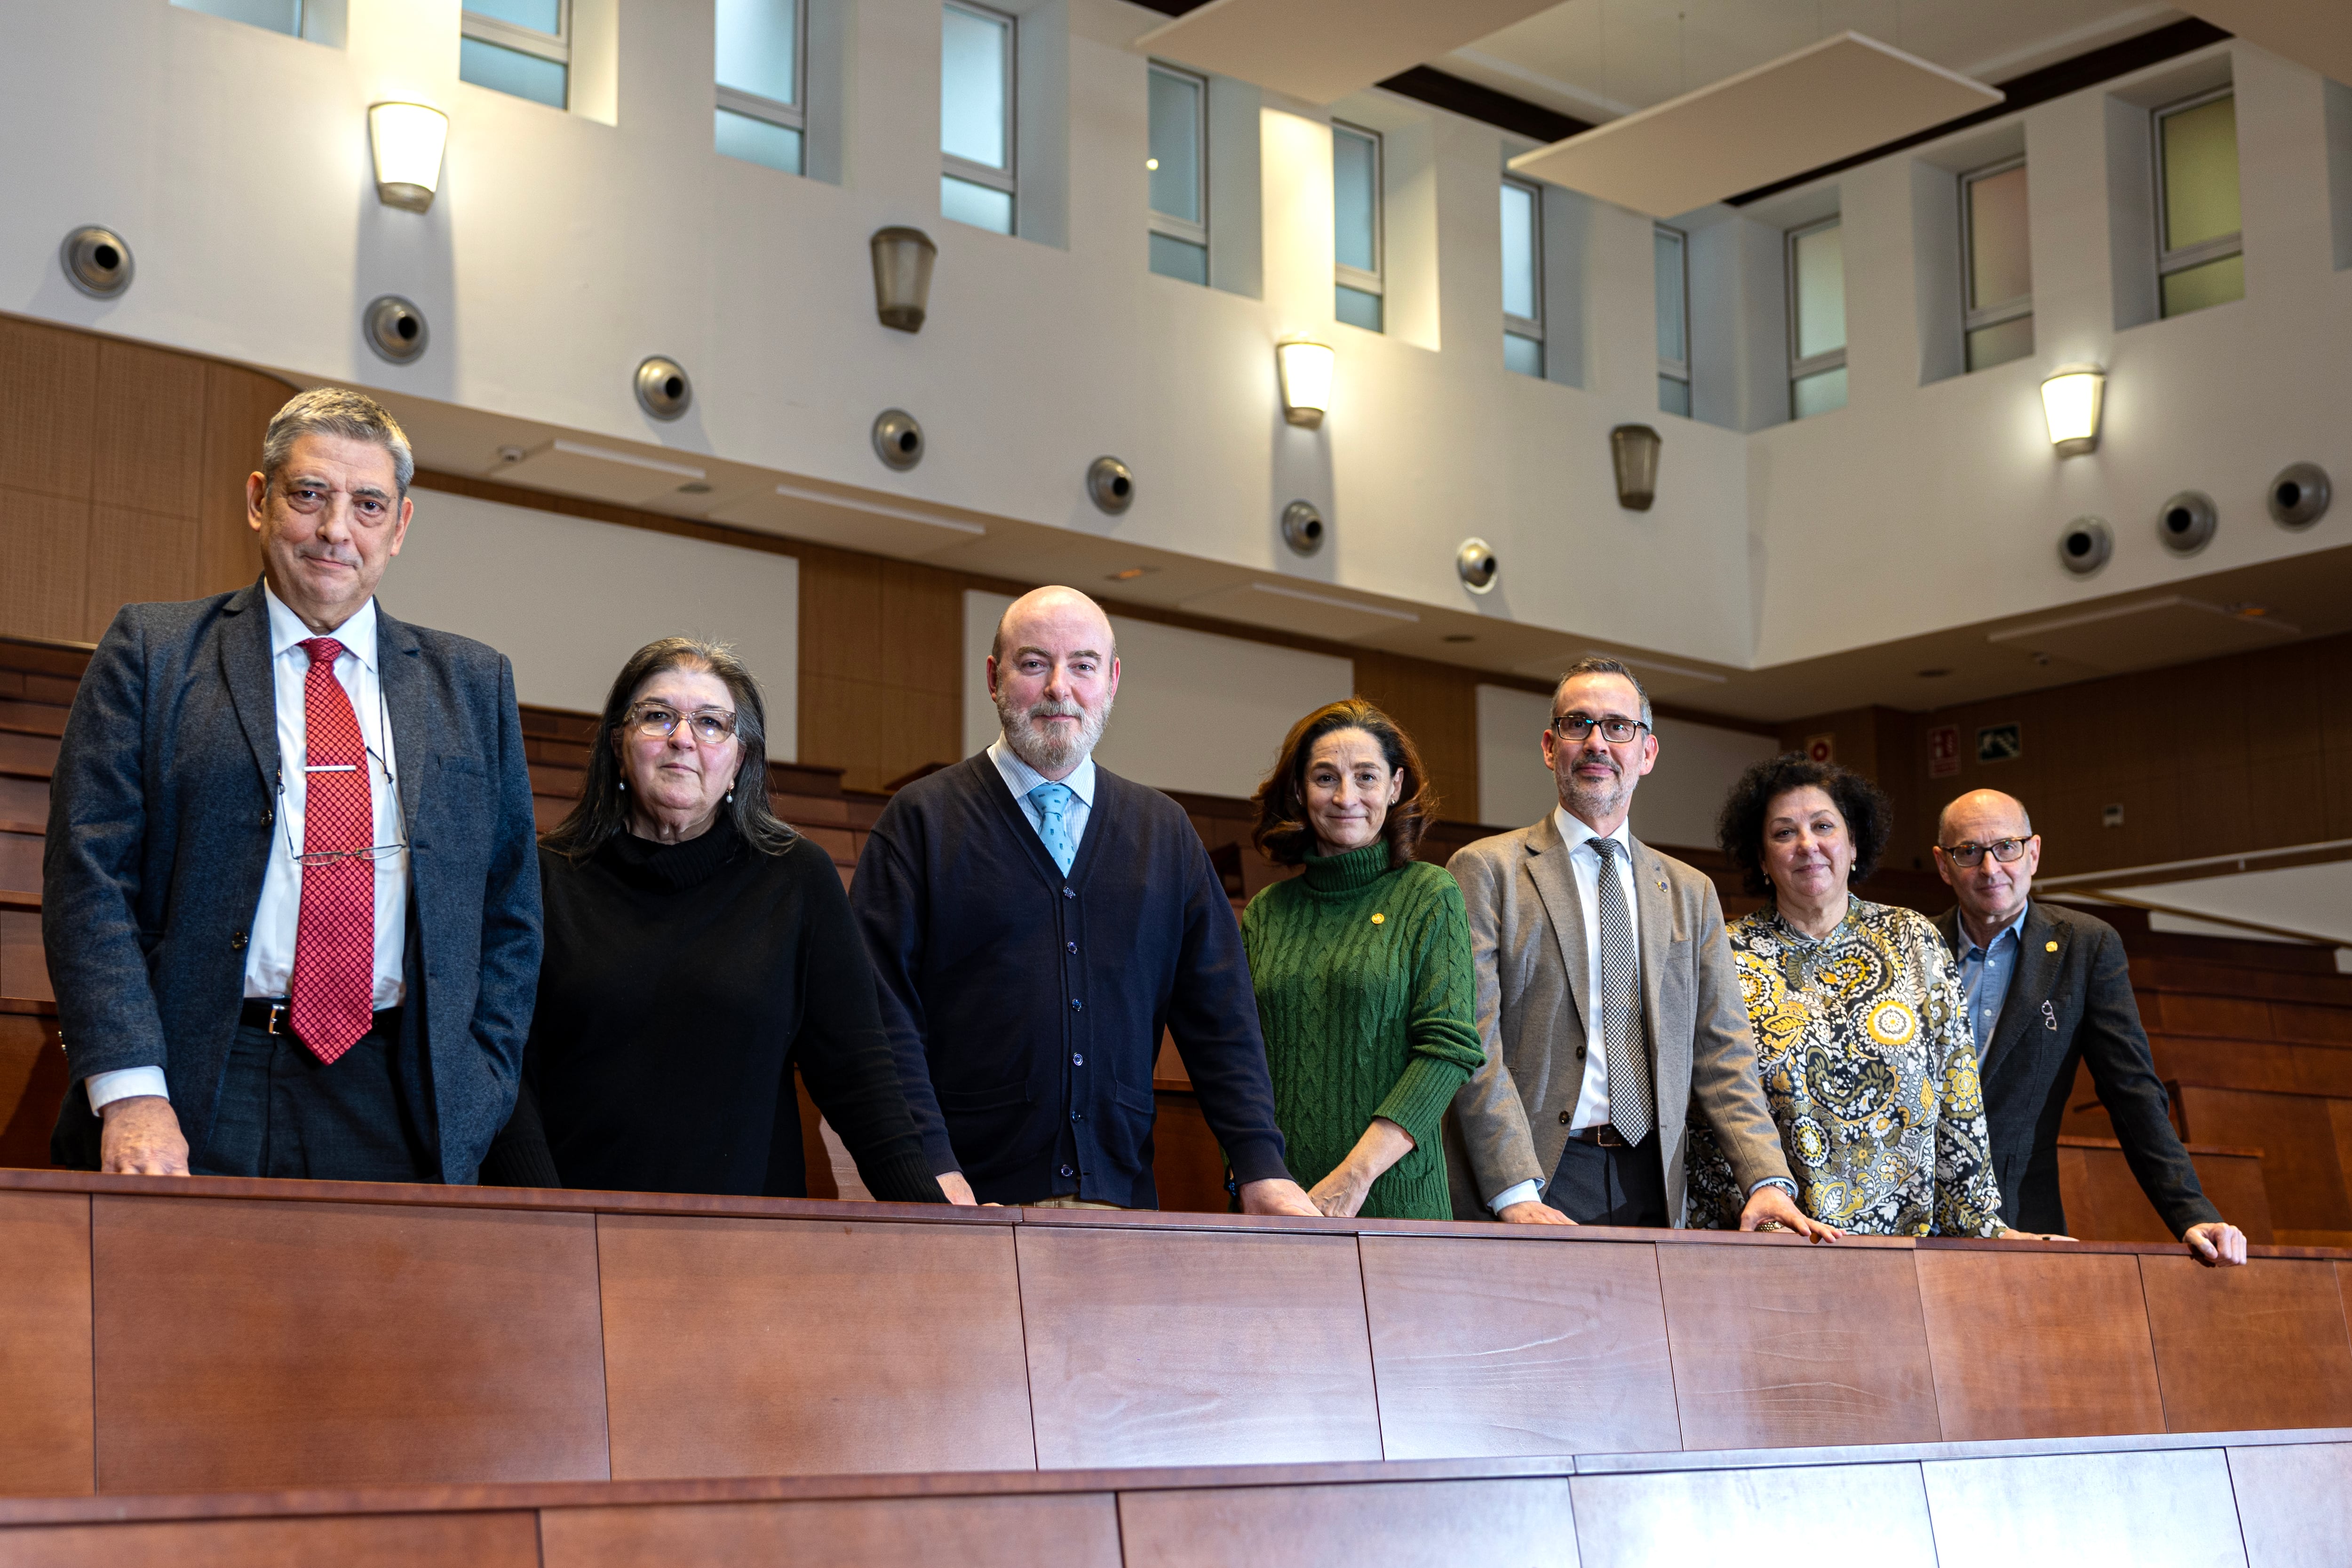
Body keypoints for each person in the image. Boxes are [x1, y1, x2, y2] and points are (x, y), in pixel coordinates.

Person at [44, 388, 540, 1183]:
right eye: (310, 494)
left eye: (369, 504)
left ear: (400, 526)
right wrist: (132, 1092)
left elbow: (510, 910)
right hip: (196, 1080)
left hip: (399, 1091)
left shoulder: (473, 683)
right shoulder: (152, 652)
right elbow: (88, 884)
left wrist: (480, 1084)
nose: (337, 529)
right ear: (259, 500)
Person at [851, 586, 1317, 1213]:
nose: (1059, 688)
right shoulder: (921, 821)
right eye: (1034, 663)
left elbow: (1222, 1019)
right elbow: (881, 1013)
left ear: (1112, 680)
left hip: (1121, 1206)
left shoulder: (1164, 833)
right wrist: (930, 1166)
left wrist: (1260, 1164)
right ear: (993, 677)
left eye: (1083, 665)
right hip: (967, 1205)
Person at [491, 639, 942, 1202]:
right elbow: (507, 1076)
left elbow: (859, 1077)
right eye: (657, 716)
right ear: (617, 745)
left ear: (740, 760)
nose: (682, 738)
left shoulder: (797, 878)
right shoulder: (544, 878)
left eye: (710, 723)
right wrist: (546, 1220)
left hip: (749, 1235)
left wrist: (933, 1221)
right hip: (580, 1230)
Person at [1446, 657, 1830, 1237]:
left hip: (1656, 1178)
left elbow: (1722, 1052)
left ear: (1646, 752)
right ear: (1550, 747)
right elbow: (1474, 1042)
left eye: (1617, 726)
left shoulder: (1689, 891)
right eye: (1577, 724)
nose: (1596, 742)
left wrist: (1765, 1179)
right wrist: (1513, 1191)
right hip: (1535, 1179)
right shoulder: (1485, 871)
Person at [1685, 756, 2013, 1237]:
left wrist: (1980, 1223)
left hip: (1904, 1250)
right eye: (1784, 833)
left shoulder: (1912, 938)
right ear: (1761, 858)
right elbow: (1709, 1109)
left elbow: (1957, 1095)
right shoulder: (1723, 954)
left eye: (1823, 826)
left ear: (1853, 842)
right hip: (1773, 1244)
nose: (1807, 845)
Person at [1932, 789, 2247, 1266]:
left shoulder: (2086, 945)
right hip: (1910, 1213)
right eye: (1968, 852)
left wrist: (2190, 1211)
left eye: (2006, 847)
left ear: (2033, 853)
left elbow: (2131, 1091)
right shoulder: (1911, 947)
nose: (1990, 868)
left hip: (2020, 1212)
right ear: (1943, 864)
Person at [1240, 699, 1486, 1219]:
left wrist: (1354, 1176)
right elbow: (1237, 1061)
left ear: (1395, 786)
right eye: (1325, 777)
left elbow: (1448, 1051)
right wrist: (1250, 1175)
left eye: (1366, 777)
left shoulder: (1429, 894)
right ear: (1299, 790)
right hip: (1278, 1204)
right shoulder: (1265, 913)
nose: (1345, 797)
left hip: (1396, 1205)